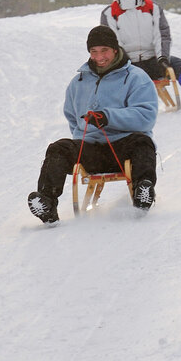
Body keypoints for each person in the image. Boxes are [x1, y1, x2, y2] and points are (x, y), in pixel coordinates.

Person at [27, 25, 159, 224]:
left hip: (124, 146)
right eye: (94, 51)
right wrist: (83, 136)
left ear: (115, 49)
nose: (100, 57)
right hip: (91, 150)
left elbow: (146, 115)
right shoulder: (78, 82)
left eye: (104, 50)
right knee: (59, 148)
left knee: (143, 142)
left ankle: (143, 191)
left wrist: (108, 117)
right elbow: (72, 118)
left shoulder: (136, 78)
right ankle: (47, 203)